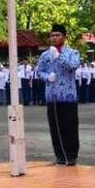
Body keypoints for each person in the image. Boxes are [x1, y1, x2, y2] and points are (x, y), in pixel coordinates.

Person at [36, 24, 80, 166]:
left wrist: (59, 56)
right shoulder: (45, 55)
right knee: (55, 126)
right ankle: (60, 155)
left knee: (70, 126)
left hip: (68, 96)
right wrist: (47, 77)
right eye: (52, 35)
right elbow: (39, 71)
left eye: (57, 35)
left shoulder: (72, 52)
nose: (54, 38)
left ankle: (71, 155)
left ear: (64, 37)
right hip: (52, 96)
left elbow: (74, 66)